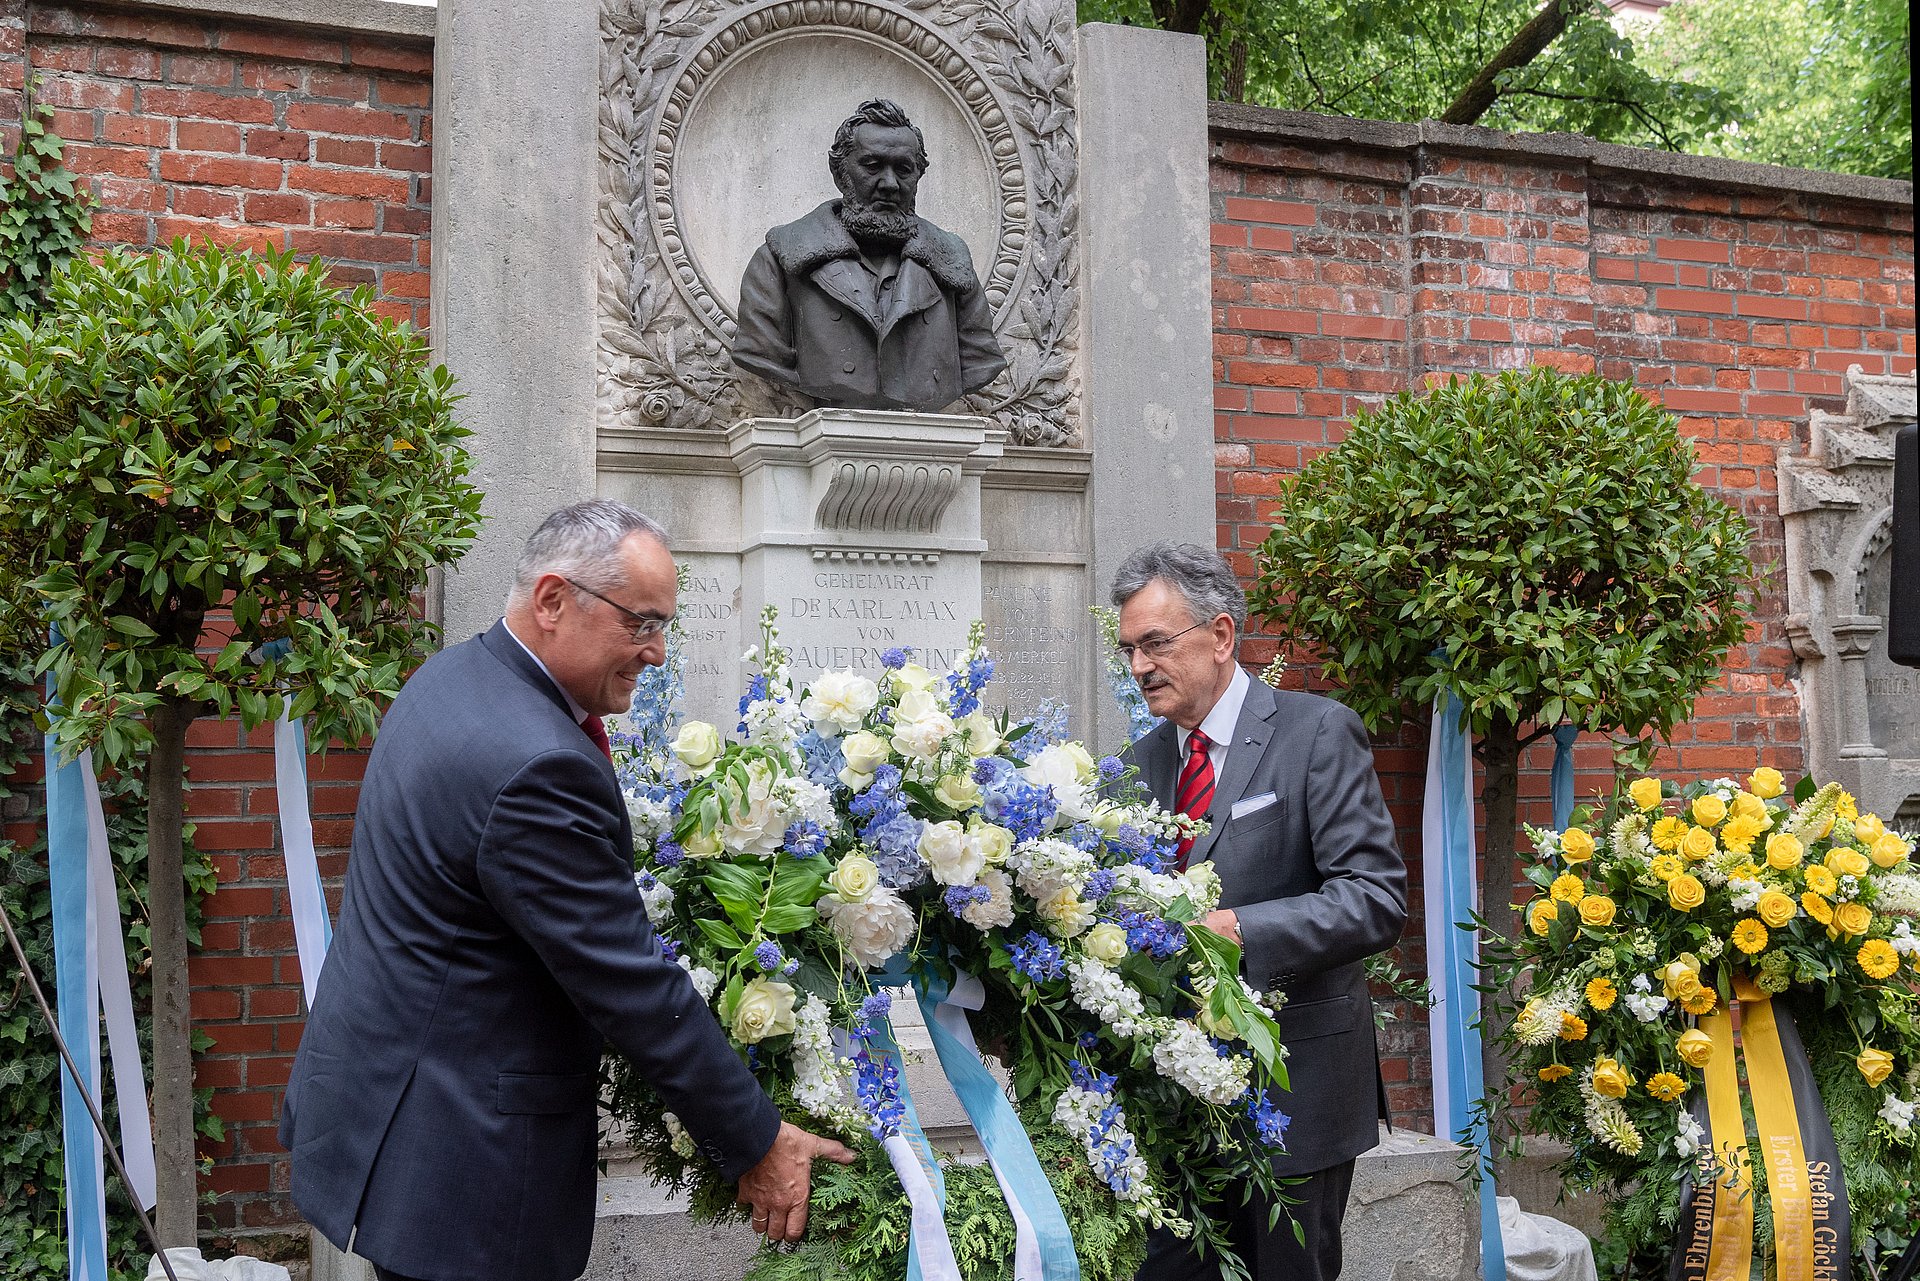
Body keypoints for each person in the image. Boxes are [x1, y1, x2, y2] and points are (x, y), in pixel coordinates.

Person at [280, 501, 852, 1281]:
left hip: (398, 1119)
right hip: (462, 1167)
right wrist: (759, 1138)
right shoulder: (536, 765)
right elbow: (630, 983)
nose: (656, 652)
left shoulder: (454, 676)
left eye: (664, 627)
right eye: (641, 624)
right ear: (552, 600)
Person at [1112, 541, 1408, 1281]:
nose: (1141, 666)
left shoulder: (1315, 732)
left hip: (1295, 1097)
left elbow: (1375, 897)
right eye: (1129, 649)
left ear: (1220, 636)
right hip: (1176, 1110)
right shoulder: (1136, 765)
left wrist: (1239, 929)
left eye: (1156, 643)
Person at [732, 97, 1006, 412]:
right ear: (839, 171)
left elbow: (978, 359)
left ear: (918, 176)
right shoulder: (780, 260)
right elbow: (760, 354)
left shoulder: (952, 263)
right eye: (873, 166)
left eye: (903, 169)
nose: (889, 184)